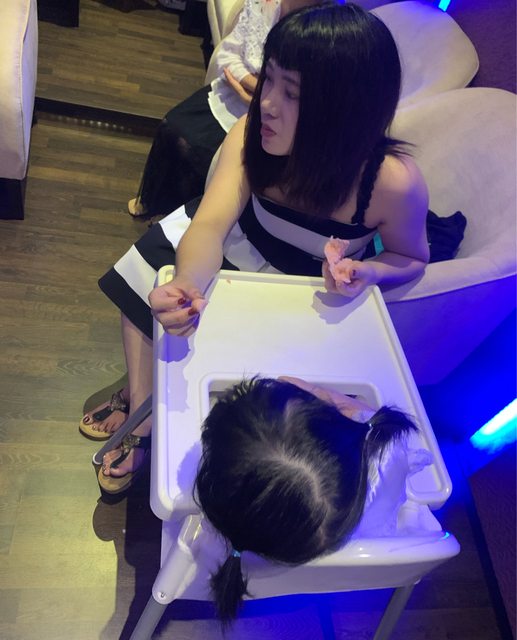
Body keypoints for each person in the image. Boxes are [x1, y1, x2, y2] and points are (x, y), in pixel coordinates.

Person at [80, 3, 429, 494]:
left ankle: (145, 399)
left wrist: (370, 271)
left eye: (293, 93)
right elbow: (210, 224)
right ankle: (143, 408)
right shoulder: (250, 133)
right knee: (149, 282)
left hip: (304, 287)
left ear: (345, 108)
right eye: (270, 80)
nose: (267, 103)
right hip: (237, 242)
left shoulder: (392, 182)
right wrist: (187, 284)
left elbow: (411, 259)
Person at [194, 375, 426, 623]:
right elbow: (368, 424)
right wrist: (325, 399)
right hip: (371, 558)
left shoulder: (224, 531)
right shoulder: (390, 455)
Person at [128, 0, 322, 218]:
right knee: (172, 126)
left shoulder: (323, 35)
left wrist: (258, 98)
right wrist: (254, 87)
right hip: (232, 94)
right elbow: (228, 56)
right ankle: (158, 203)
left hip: (268, 120)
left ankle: (193, 214)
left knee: (209, 161)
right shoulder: (261, 5)